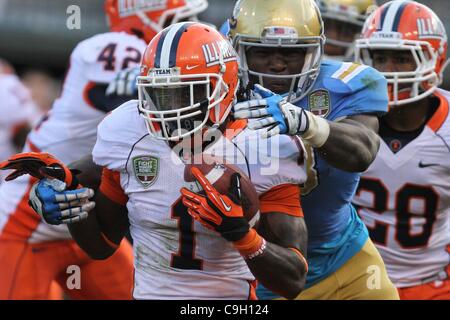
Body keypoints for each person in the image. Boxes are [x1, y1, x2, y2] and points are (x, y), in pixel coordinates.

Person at [1, 22, 309, 300]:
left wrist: (242, 236)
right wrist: (70, 201)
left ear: (224, 86)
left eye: (186, 94)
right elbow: (101, 245)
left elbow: (292, 281)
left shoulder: (264, 144)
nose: (171, 109)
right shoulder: (129, 131)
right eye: (161, 94)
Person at [0, 0, 207, 300]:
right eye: (184, 19)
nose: (191, 29)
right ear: (143, 14)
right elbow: (132, 103)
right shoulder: (113, 46)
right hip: (27, 219)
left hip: (84, 221)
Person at [230, 0, 398, 299]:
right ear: (236, 50)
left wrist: (308, 124)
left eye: (292, 52)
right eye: (262, 51)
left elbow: (363, 151)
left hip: (345, 262)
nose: (278, 64)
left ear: (314, 51)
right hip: (255, 276)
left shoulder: (346, 85)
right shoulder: (217, 88)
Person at [352, 0, 450, 300]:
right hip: (352, 279)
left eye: (402, 58)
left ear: (433, 59)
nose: (386, 71)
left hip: (432, 281)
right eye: (379, 58)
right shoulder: (344, 116)